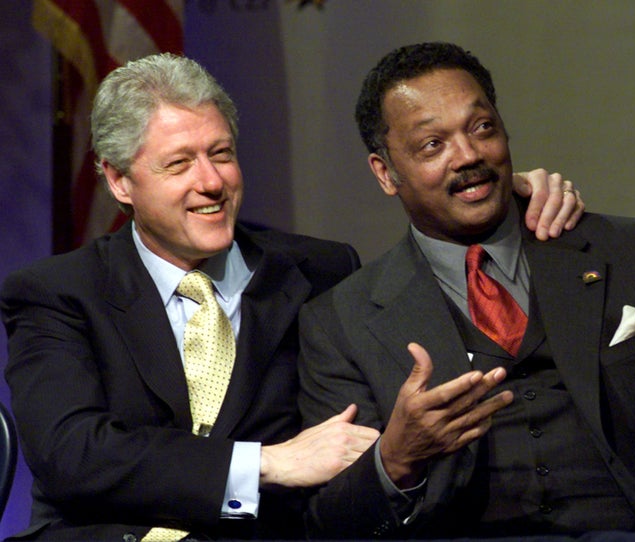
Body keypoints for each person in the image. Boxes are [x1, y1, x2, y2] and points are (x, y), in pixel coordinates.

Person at [0, 53, 581, 541]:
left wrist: (504, 195)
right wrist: (267, 464)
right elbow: (72, 454)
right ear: (119, 180)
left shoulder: (318, 271)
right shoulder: (58, 293)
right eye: (179, 164)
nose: (211, 181)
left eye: (221, 154)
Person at [297, 42, 635, 539]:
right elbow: (330, 523)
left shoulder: (629, 249)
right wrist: (395, 460)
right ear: (386, 173)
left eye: (481, 128)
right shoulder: (340, 321)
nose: (469, 156)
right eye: (433, 145)